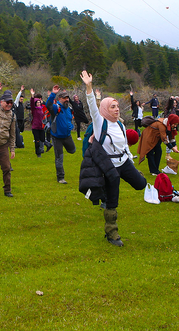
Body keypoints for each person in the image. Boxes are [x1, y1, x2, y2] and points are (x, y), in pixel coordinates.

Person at [79, 71, 146, 247]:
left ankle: (125, 180)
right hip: (109, 167)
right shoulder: (101, 124)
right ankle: (112, 233)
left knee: (141, 184)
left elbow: (124, 146)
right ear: (105, 110)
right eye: (112, 107)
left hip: (124, 162)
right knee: (112, 201)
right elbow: (93, 106)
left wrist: (130, 161)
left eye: (117, 106)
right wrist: (89, 87)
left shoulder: (121, 125)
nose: (116, 109)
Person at [46, 86, 75, 184]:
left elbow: (69, 119)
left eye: (67, 98)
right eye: (64, 98)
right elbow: (48, 104)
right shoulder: (56, 107)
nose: (66, 100)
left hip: (67, 136)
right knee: (59, 158)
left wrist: (71, 126)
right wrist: (53, 94)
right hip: (57, 137)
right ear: (59, 99)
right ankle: (60, 178)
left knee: (73, 151)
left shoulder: (68, 108)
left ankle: (64, 147)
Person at [29, 90, 46, 157]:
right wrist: (32, 95)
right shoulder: (34, 109)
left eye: (39, 102)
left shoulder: (41, 109)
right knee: (37, 141)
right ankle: (38, 153)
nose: (38, 103)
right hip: (35, 127)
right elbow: (32, 103)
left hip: (41, 126)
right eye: (37, 102)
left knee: (42, 139)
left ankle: (47, 145)